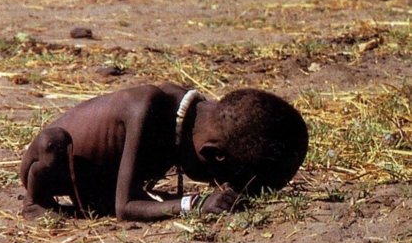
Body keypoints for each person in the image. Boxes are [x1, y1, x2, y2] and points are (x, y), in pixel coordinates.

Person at [19, 82, 309, 220]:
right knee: (51, 145)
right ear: (212, 155)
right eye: (221, 178)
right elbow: (125, 207)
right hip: (53, 166)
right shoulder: (146, 110)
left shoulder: (192, 117)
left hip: (99, 181)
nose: (219, 186)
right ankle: (35, 204)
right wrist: (193, 204)